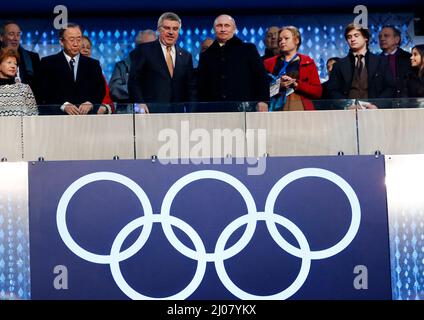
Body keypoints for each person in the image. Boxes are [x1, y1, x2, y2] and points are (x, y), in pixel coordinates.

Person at [197, 14, 269, 112]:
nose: (223, 29)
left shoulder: (248, 50)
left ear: (234, 29)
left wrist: (263, 101)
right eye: (219, 26)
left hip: (244, 110)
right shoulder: (206, 55)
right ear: (214, 29)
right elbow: (201, 86)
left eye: (227, 25)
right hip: (214, 111)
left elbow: (261, 77)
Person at [128, 12, 196, 113]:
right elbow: (134, 81)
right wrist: (140, 104)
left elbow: (191, 87)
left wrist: (191, 111)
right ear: (159, 30)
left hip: (178, 114)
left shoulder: (186, 56)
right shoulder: (144, 50)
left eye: (175, 29)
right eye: (167, 28)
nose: (171, 32)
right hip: (151, 112)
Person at [36, 23, 105, 115]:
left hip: (86, 119)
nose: (76, 44)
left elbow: (100, 90)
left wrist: (91, 102)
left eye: (79, 39)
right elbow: (42, 92)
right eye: (71, 39)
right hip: (58, 119)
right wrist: (63, 105)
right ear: (61, 41)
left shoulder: (93, 64)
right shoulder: (48, 63)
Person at [326, 23, 395, 109]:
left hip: (374, 112)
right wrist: (347, 106)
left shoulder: (381, 62)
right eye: (349, 37)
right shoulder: (339, 65)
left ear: (365, 38)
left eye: (356, 35)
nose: (352, 39)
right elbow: (333, 90)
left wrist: (377, 105)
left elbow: (390, 87)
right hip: (347, 113)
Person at [263, 26, 322, 111]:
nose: (282, 42)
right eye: (280, 40)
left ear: (296, 40)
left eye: (286, 38)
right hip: (274, 108)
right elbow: (261, 91)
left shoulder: (308, 62)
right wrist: (278, 85)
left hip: (300, 108)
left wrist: (297, 84)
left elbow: (317, 92)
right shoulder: (268, 63)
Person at [109, 30, 157, 107]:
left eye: (154, 46)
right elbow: (114, 90)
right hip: (129, 113)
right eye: (147, 46)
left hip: (156, 111)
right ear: (137, 46)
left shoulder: (161, 65)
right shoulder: (122, 66)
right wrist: (138, 93)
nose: (151, 49)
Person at [0, 21, 40, 98]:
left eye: (18, 34)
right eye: (11, 34)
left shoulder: (32, 58)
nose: (15, 38)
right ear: (1, 37)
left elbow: (38, 88)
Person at [80, 35, 114, 114]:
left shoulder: (97, 73)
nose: (86, 50)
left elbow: (108, 101)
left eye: (88, 48)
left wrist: (103, 108)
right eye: (82, 47)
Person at [378, 25, 413, 100]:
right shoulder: (376, 61)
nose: (382, 39)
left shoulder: (409, 58)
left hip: (407, 103)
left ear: (397, 39)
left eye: (386, 36)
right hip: (383, 104)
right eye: (380, 37)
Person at [0, 49, 37, 116]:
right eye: (9, 62)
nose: (13, 66)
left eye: (15, 64)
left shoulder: (25, 89)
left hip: (21, 126)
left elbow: (33, 115)